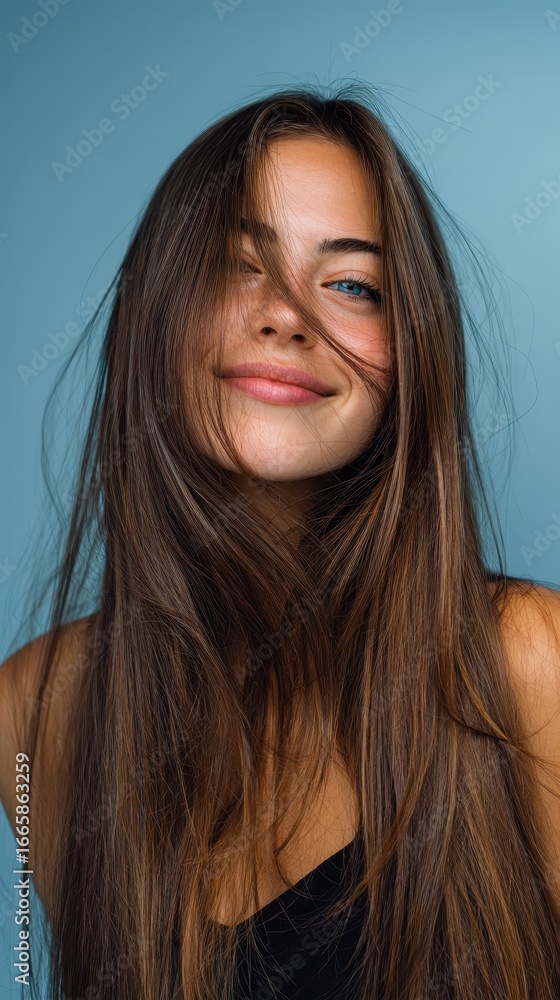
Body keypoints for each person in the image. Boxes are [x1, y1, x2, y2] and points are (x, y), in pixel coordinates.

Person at [1, 82, 560, 1000]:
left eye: (351, 285)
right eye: (236, 266)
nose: (286, 313)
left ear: (410, 353)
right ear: (154, 313)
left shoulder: (530, 662)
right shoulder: (37, 712)